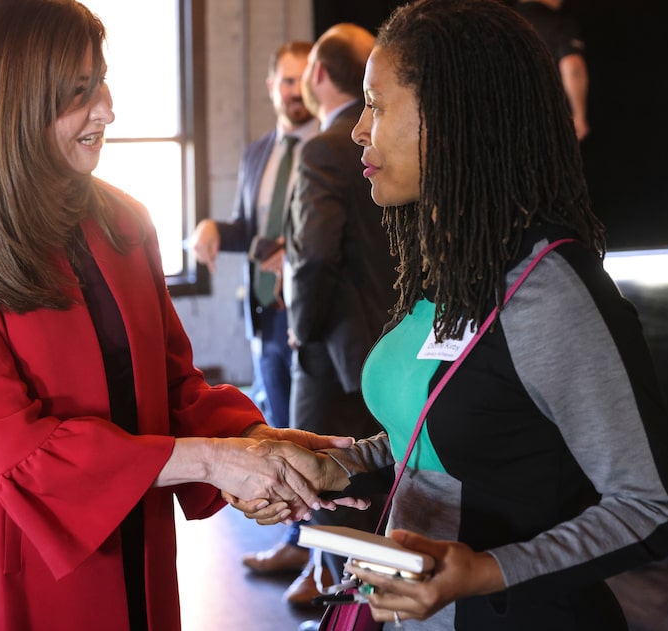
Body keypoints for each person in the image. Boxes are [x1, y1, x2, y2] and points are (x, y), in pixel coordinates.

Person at [0, 2, 355, 630]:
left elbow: (178, 386)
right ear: (11, 104)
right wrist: (215, 461)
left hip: (131, 514)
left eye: (102, 81)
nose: (108, 108)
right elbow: (23, 454)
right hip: (2, 539)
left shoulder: (122, 219)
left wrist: (261, 445)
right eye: (80, 92)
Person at [231, 0, 668, 628]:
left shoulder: (550, 293)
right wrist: (338, 466)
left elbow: (653, 507)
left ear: (450, 119)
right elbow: (446, 446)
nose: (359, 129)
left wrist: (484, 571)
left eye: (377, 104)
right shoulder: (454, 267)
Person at [188, 40, 321, 582]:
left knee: (317, 431)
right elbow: (250, 229)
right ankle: (296, 543)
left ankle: (323, 559)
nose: (294, 92)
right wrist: (215, 228)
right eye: (285, 81)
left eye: (303, 81)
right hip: (266, 314)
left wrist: (297, 255)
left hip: (315, 314)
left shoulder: (331, 149)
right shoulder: (257, 154)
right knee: (280, 427)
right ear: (271, 86)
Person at [279, 22, 400, 604]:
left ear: (319, 74)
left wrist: (301, 331)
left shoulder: (324, 148)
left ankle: (342, 603)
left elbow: (313, 255)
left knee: (330, 484)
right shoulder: (400, 139)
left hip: (333, 350)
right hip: (401, 337)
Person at [514, 0, 590, 140]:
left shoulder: (501, 23)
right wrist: (579, 115)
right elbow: (573, 66)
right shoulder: (560, 24)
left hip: (505, 122)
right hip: (547, 124)